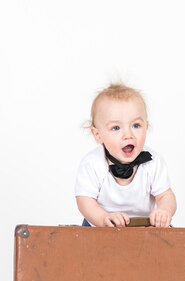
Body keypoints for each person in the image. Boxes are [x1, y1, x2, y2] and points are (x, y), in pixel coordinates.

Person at [75, 83, 176, 227]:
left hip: (144, 226)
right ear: (98, 135)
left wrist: (164, 210)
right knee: (85, 247)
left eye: (136, 125)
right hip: (100, 227)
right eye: (116, 128)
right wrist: (103, 218)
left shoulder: (153, 162)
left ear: (146, 127)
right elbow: (84, 200)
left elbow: (166, 195)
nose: (128, 135)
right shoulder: (92, 163)